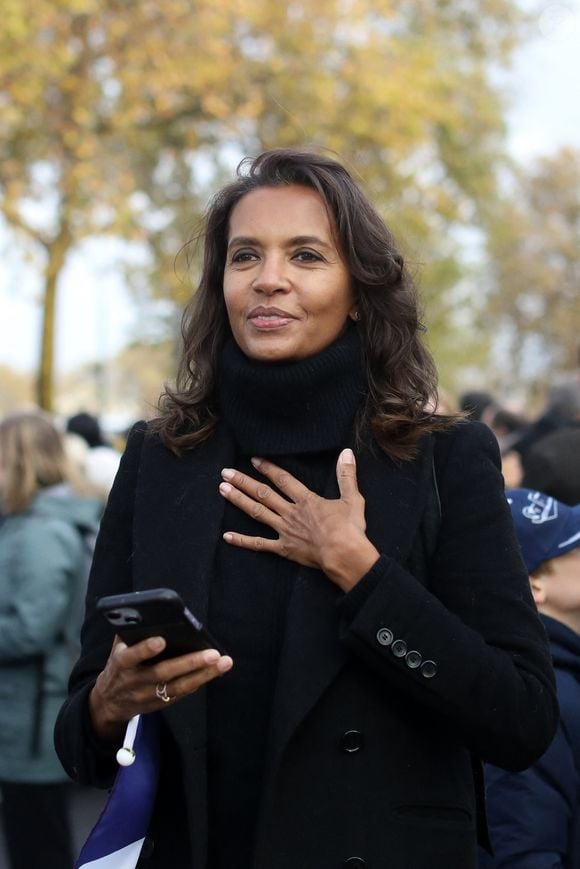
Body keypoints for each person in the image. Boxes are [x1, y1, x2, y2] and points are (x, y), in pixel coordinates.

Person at [55, 149, 558, 869]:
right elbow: (80, 742)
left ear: (359, 289)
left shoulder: (444, 459)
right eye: (245, 255)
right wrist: (109, 700)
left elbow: (523, 719)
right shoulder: (160, 458)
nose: (269, 279)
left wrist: (362, 571)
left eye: (307, 255)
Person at [0, 412, 101, 869]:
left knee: (37, 846)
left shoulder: (42, 533)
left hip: (31, 724)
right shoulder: (39, 524)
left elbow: (29, 632)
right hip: (29, 717)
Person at [480, 488, 580, 868]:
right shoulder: (535, 694)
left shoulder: (563, 676)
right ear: (535, 585)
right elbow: (523, 848)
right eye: (574, 549)